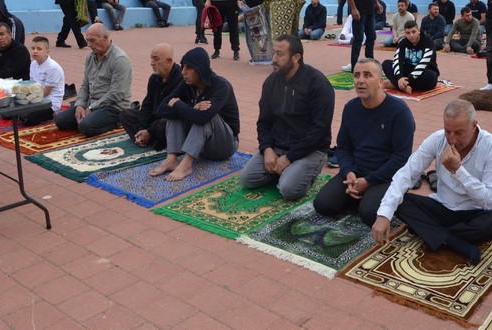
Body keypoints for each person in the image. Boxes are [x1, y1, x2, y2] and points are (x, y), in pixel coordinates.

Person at [372, 100, 492, 264]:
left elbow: (491, 201)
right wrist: (384, 215)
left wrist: (458, 171)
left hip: (476, 212)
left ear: (474, 125)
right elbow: (406, 174)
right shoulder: (437, 140)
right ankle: (454, 241)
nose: (452, 139)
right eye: (447, 131)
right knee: (400, 201)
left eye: (459, 133)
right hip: (443, 208)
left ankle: (431, 232)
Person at [313, 58, 415, 226]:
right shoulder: (351, 108)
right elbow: (343, 147)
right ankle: (361, 195)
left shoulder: (399, 111)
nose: (360, 80)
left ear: (381, 82)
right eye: (356, 75)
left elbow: (401, 158)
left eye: (367, 75)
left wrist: (369, 182)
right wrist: (349, 173)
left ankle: (376, 196)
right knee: (323, 205)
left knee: (369, 214)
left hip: (387, 176)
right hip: (357, 172)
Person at [240, 35, 334, 200]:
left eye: (280, 54)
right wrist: (267, 149)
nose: (274, 59)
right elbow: (263, 122)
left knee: (288, 190)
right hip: (277, 145)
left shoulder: (318, 84)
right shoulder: (271, 82)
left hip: (310, 149)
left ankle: (298, 173)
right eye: (274, 53)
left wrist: (290, 158)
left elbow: (319, 130)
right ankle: (284, 171)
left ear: (296, 57)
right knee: (248, 179)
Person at [149, 47, 240, 181]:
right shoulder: (187, 83)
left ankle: (186, 164)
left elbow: (202, 117)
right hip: (203, 147)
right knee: (175, 113)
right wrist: (190, 107)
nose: (183, 72)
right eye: (183, 67)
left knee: (202, 114)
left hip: (225, 145)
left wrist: (179, 105)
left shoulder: (222, 86)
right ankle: (172, 158)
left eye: (189, 68)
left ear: (201, 69)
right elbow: (161, 109)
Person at [54, 23, 132, 137]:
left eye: (92, 40)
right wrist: (80, 105)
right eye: (87, 40)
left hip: (113, 107)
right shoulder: (90, 57)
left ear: (105, 38)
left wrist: (91, 108)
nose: (89, 44)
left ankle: (117, 121)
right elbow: (85, 85)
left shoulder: (120, 60)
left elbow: (116, 94)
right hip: (92, 103)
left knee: (86, 127)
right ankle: (92, 119)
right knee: (60, 120)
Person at [119, 43, 182, 151]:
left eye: (156, 59)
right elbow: (147, 105)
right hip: (152, 122)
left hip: (166, 121)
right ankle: (147, 137)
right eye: (151, 59)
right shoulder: (154, 78)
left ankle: (149, 138)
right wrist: (142, 127)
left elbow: (173, 113)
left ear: (168, 61)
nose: (151, 63)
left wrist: (150, 131)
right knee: (125, 114)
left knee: (165, 125)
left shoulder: (181, 80)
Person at [382, 20, 438, 93]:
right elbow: (397, 60)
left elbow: (424, 63)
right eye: (408, 33)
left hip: (424, 72)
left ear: (419, 31)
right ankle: (403, 86)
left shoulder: (428, 43)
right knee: (386, 64)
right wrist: (399, 77)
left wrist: (408, 80)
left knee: (431, 76)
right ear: (405, 34)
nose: (411, 35)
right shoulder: (403, 42)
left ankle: (397, 85)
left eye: (413, 32)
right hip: (408, 70)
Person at [23, 36, 65, 126]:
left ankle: (50, 115)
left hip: (50, 103)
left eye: (39, 49)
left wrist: (27, 98)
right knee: (11, 112)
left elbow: (45, 93)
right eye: (33, 48)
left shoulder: (52, 68)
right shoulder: (33, 64)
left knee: (27, 119)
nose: (35, 51)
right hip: (37, 98)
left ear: (47, 51)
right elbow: (32, 85)